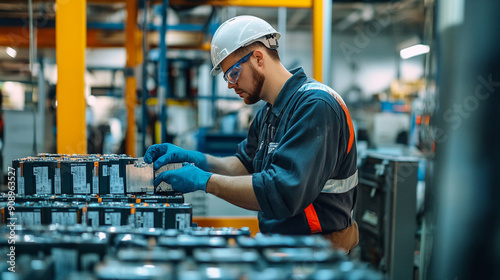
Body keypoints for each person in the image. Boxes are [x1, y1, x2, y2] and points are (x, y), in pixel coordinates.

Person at [145, 15, 359, 251]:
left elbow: (284, 192)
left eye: (233, 73)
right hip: (282, 249)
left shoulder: (316, 106)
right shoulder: (269, 112)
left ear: (258, 57)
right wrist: (196, 159)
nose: (230, 84)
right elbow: (244, 166)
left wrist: (204, 181)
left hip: (317, 256)